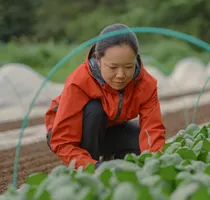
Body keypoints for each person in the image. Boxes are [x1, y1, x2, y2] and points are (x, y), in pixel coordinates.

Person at [44, 23, 166, 169]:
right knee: (95, 110)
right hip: (70, 133)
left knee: (140, 144)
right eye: (113, 67)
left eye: (128, 67)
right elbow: (62, 141)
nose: (121, 75)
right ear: (98, 59)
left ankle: (111, 161)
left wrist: (154, 163)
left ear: (136, 59)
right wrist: (94, 168)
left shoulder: (146, 84)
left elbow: (152, 130)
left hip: (107, 129)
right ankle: (88, 165)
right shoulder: (79, 82)